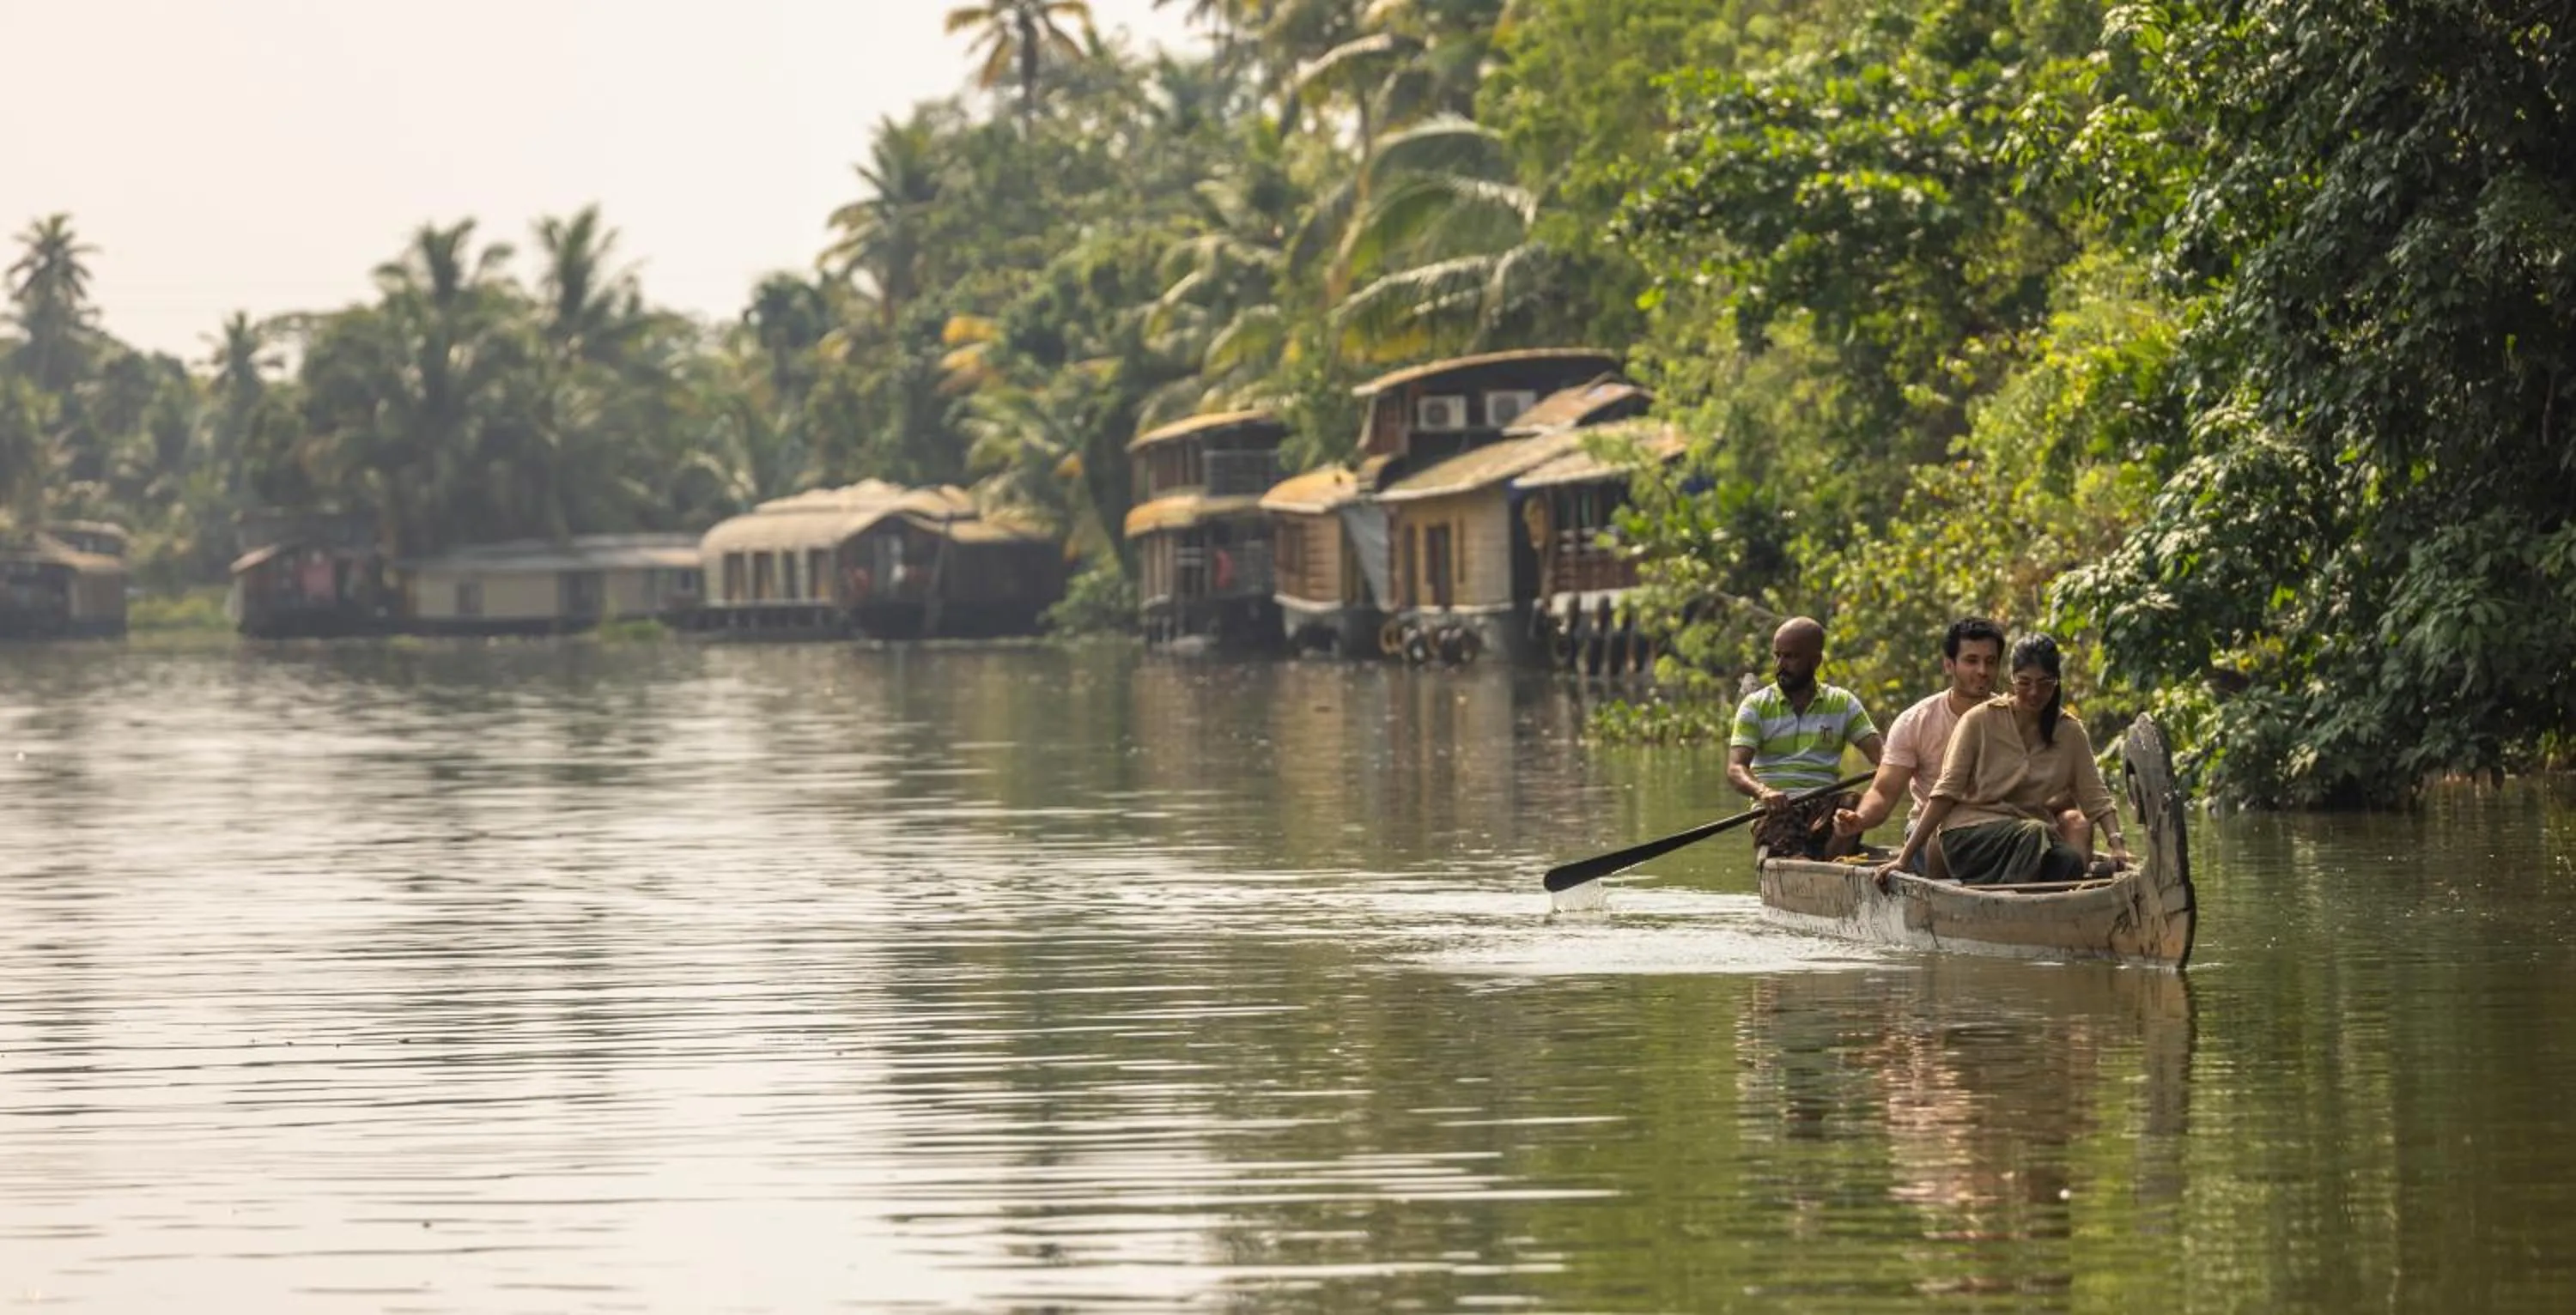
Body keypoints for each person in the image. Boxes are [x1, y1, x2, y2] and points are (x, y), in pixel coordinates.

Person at [1879, 634, 2131, 888]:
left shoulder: (2070, 731)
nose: (2034, 693)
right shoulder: (1979, 720)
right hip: (1969, 836)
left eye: (2045, 684)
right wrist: (1905, 858)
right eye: (2025, 683)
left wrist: (2117, 846)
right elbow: (1945, 792)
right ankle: (2013, 901)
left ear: (2056, 683)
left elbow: (2095, 797)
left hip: (2029, 840)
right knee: (2035, 833)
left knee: (2069, 861)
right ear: (2012, 679)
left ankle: (2040, 906)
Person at [1831, 616, 2006, 870]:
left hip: (1994, 827)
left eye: (1990, 662)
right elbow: (1883, 792)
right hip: (1931, 830)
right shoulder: (1916, 721)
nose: (1982, 671)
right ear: (1949, 665)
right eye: (1971, 661)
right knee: (1942, 843)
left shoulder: (2013, 718)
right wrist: (1860, 819)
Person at [1728, 616, 1884, 859]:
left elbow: (1884, 760)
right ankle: (1806, 865)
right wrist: (1763, 792)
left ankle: (1831, 864)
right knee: (1784, 830)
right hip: (1777, 810)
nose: (1781, 664)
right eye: (1777, 656)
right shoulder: (1755, 706)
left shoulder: (1842, 703)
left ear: (1816, 661)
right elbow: (1736, 768)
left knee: (1853, 804)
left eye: (1790, 657)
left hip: (1824, 808)